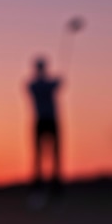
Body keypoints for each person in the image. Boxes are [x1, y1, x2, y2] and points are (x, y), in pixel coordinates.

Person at [26, 56, 62, 188]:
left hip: (49, 120)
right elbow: (55, 85)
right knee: (40, 154)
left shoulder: (36, 84)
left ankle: (54, 183)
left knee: (54, 153)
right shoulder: (34, 85)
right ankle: (39, 184)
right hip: (43, 120)